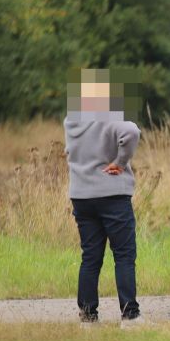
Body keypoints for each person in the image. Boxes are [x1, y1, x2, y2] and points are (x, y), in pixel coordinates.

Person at [64, 71, 143, 325]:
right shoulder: (110, 116)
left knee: (90, 257)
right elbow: (131, 132)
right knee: (123, 255)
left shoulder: (71, 121)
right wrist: (120, 162)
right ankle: (130, 315)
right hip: (112, 194)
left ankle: (88, 316)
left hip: (81, 196)